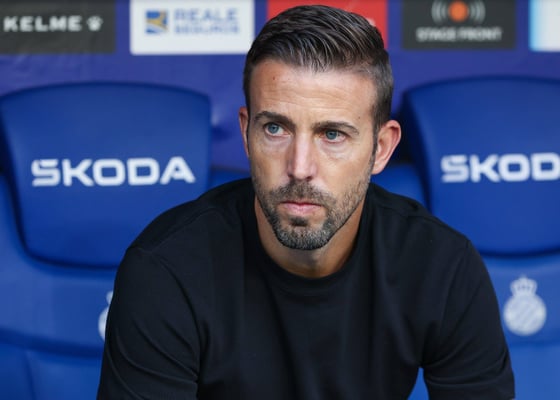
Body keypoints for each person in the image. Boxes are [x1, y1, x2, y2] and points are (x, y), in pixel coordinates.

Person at [98, 5, 514, 399]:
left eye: (332, 135)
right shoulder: (167, 269)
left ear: (382, 148)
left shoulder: (442, 267)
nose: (300, 168)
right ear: (246, 133)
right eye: (275, 129)